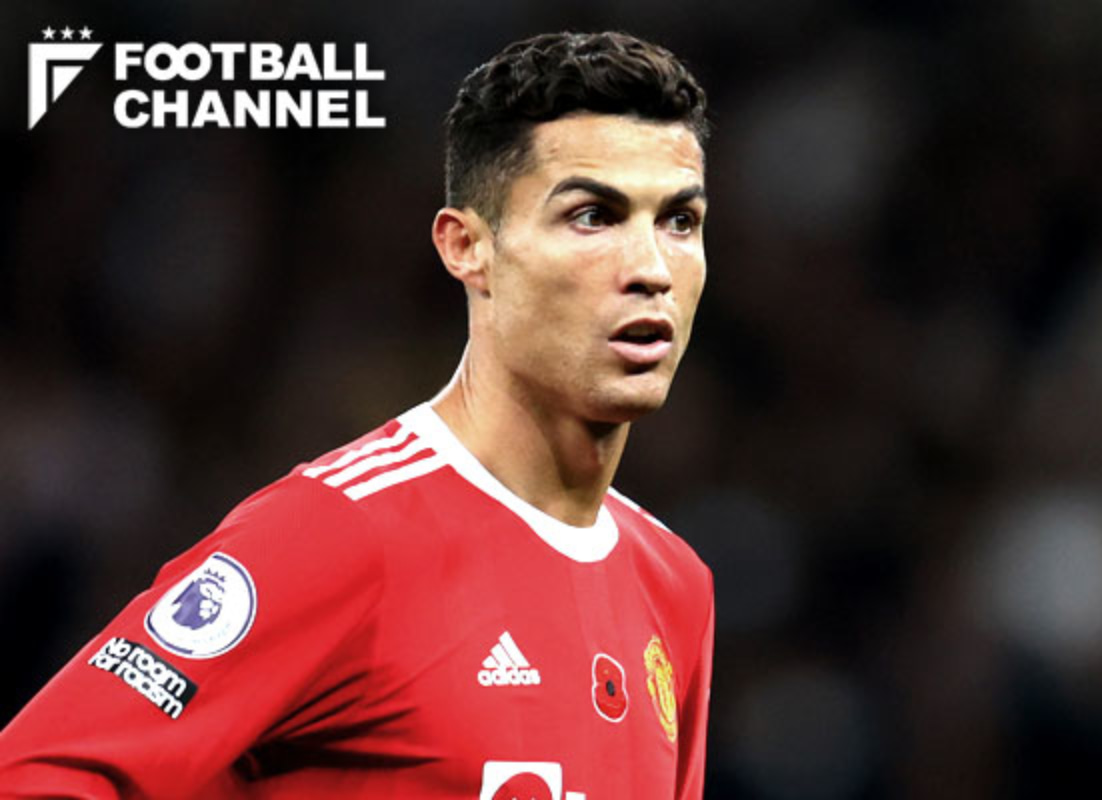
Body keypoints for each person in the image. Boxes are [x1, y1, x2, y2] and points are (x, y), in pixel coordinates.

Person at [0, 30, 714, 799]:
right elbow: (35, 774)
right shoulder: (340, 534)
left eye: (680, 221)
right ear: (468, 248)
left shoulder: (675, 586)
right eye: (593, 216)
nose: (651, 269)